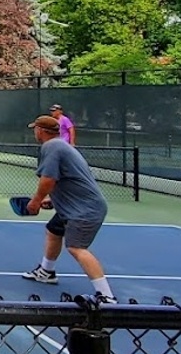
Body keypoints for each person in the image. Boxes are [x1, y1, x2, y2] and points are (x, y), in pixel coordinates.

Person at [21, 115, 116, 303]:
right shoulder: (61, 146)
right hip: (75, 207)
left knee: (76, 247)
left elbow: (48, 179)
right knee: (53, 230)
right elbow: (68, 180)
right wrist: (52, 200)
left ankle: (106, 296)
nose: (34, 132)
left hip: (85, 210)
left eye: (35, 129)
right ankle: (46, 272)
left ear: (40, 131)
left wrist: (36, 201)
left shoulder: (51, 147)